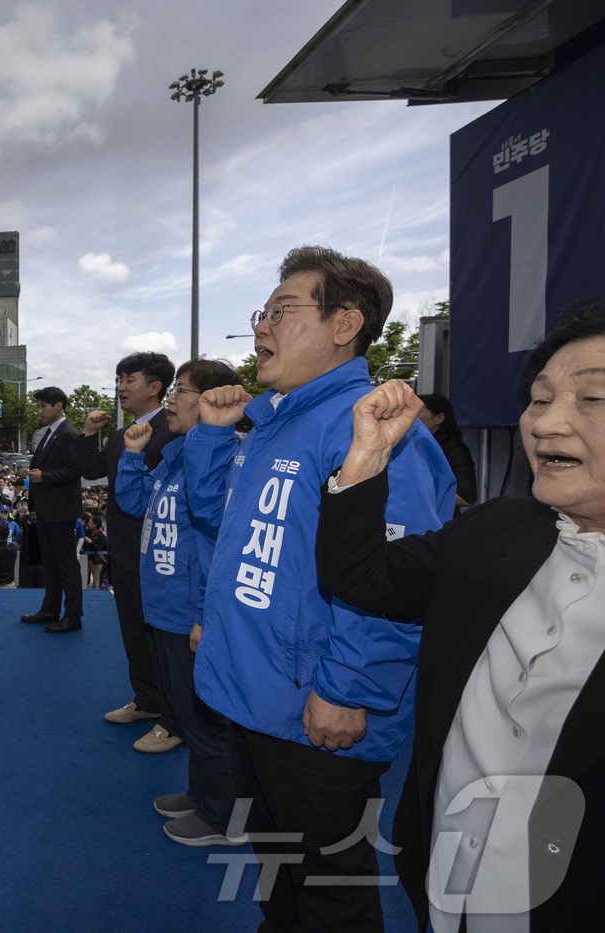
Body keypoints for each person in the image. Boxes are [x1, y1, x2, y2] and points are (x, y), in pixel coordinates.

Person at [185, 246, 456, 931]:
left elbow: (397, 579)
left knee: (333, 899)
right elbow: (221, 523)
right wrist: (212, 437)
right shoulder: (275, 422)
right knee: (279, 882)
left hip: (316, 711)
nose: (261, 326)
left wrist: (349, 688)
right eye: (263, 311)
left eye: (282, 310)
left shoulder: (376, 430)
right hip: (254, 698)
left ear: (345, 324)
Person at [316, 301, 605, 931]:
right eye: (539, 399)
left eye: (593, 399)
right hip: (442, 881)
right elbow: (360, 577)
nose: (546, 423)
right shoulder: (496, 528)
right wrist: (366, 460)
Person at [115, 358, 248, 846]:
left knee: (209, 719)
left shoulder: (222, 461)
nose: (171, 400)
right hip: (165, 611)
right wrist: (133, 456)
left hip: (190, 614)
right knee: (186, 711)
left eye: (182, 391)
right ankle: (202, 794)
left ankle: (226, 818)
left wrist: (202, 616)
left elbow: (219, 547)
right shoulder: (175, 455)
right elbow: (134, 504)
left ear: (212, 400)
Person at [78, 351, 180, 733]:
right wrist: (90, 433)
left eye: (129, 379)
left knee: (158, 639)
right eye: (119, 379)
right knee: (134, 634)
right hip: (121, 551)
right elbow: (91, 470)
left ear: (155, 387)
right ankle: (147, 700)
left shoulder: (173, 432)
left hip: (155, 554)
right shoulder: (122, 434)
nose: (120, 387)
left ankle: (172, 718)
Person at [23, 386, 84, 633]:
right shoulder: (49, 433)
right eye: (38, 406)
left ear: (58, 406)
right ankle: (50, 609)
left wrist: (44, 476)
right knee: (49, 564)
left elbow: (75, 470)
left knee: (66, 566)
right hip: (47, 509)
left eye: (43, 406)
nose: (39, 411)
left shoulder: (68, 434)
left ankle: (73, 616)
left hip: (61, 511)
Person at [416, 392, 478, 514]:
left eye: (418, 412)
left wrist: (416, 491)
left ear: (439, 418)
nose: (411, 416)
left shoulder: (454, 449)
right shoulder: (412, 445)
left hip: (439, 521)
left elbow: (467, 497)